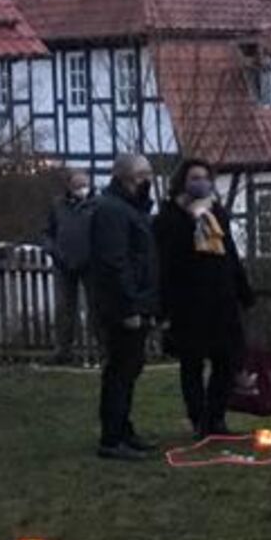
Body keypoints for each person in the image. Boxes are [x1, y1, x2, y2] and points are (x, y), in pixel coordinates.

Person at [154, 157, 253, 441]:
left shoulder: (217, 212)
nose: (201, 182)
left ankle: (216, 416)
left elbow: (229, 253)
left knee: (227, 360)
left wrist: (243, 290)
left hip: (221, 298)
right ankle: (197, 417)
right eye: (194, 177)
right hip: (188, 300)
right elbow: (167, 260)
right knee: (192, 362)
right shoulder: (170, 217)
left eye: (204, 177)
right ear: (183, 182)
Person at [88, 151, 160, 460]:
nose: (147, 182)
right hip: (121, 306)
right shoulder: (112, 211)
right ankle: (112, 436)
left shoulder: (130, 209)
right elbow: (114, 262)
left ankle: (123, 428)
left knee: (130, 368)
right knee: (120, 370)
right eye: (141, 176)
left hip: (137, 300)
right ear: (124, 178)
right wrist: (128, 307)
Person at [44, 168, 95, 364]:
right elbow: (48, 231)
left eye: (84, 185)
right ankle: (63, 350)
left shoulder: (96, 205)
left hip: (90, 264)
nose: (81, 189)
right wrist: (53, 250)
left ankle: (98, 349)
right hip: (63, 263)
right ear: (69, 186)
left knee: (95, 308)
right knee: (64, 309)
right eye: (77, 185)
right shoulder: (58, 206)